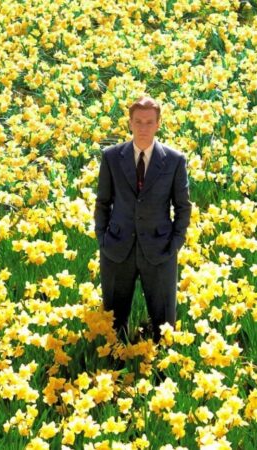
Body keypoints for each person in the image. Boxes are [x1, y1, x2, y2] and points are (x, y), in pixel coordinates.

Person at [94, 95, 192, 344]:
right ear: (130, 123)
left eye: (149, 122)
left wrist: (175, 244)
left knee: (164, 325)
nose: (143, 128)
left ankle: (163, 363)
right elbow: (102, 202)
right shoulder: (111, 157)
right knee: (113, 324)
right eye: (138, 121)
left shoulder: (174, 160)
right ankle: (113, 361)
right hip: (117, 249)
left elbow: (183, 207)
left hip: (160, 250)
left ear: (158, 124)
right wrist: (103, 239)